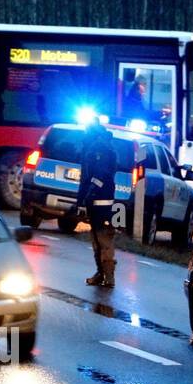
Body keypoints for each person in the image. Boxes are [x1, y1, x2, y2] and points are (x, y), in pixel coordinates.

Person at [78, 118, 118, 288]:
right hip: (94, 199)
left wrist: (88, 194)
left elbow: (98, 176)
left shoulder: (100, 149)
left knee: (103, 239)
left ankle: (108, 276)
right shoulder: (97, 147)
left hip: (101, 201)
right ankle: (101, 273)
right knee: (96, 239)